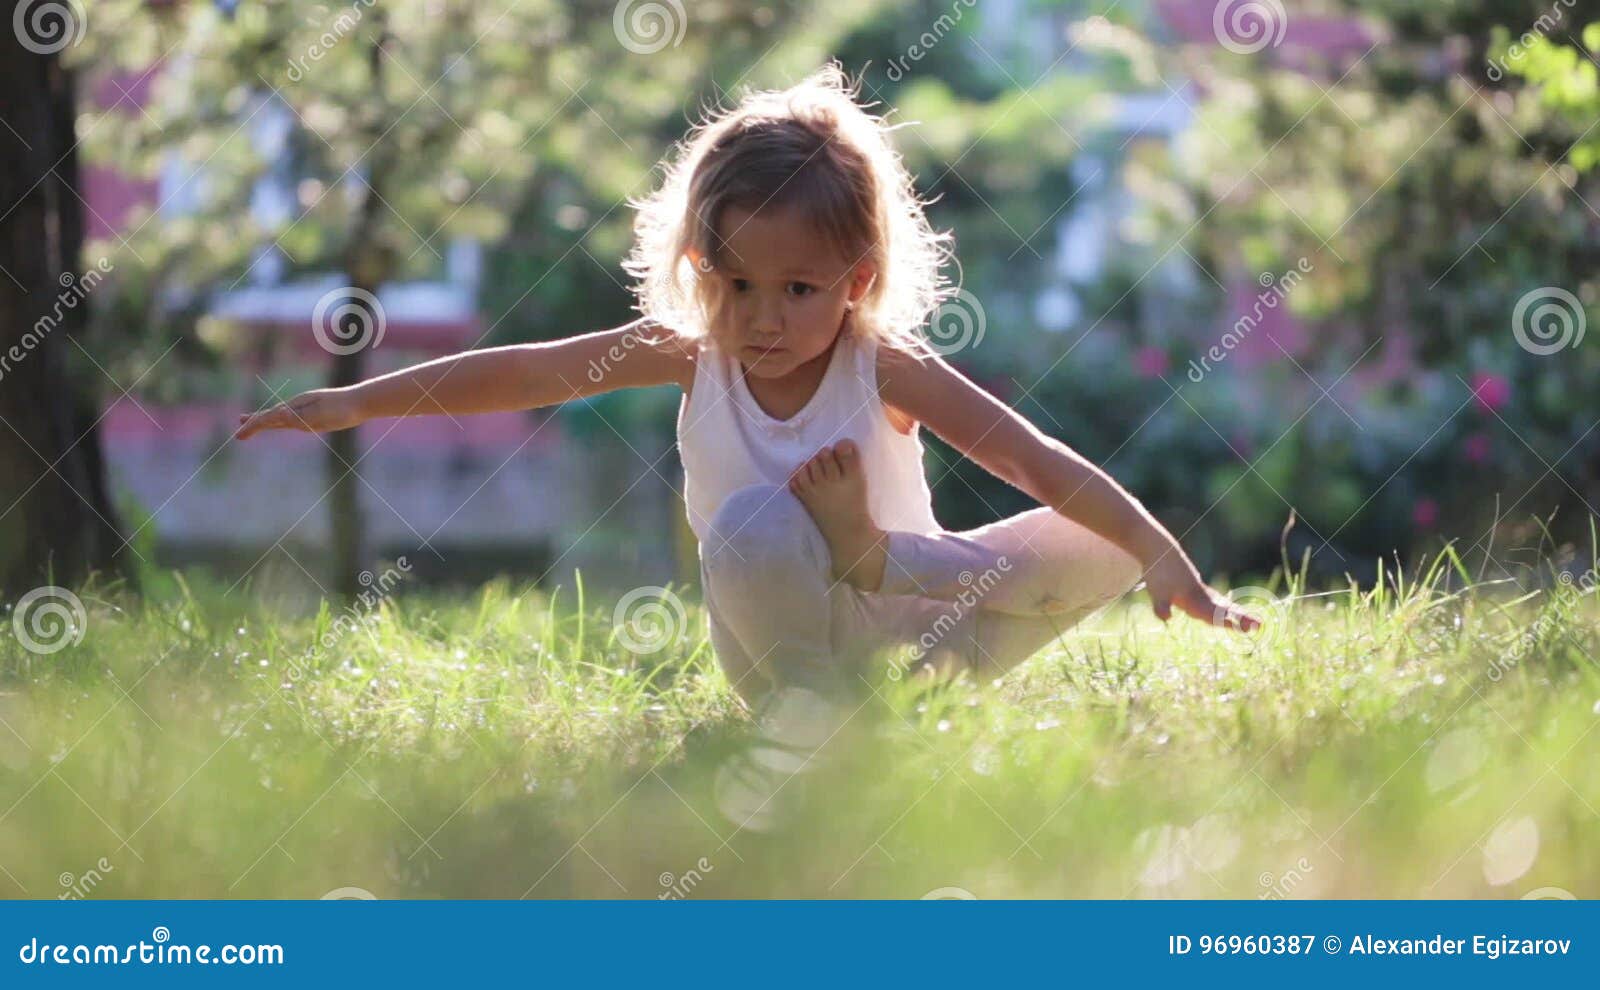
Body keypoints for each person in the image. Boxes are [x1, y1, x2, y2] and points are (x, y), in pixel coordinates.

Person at [234, 62, 1259, 708]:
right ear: (697, 270)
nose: (761, 318)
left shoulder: (883, 365)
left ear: (855, 281)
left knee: (1102, 536)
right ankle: (812, 717)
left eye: (798, 288)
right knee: (757, 526)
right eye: (734, 284)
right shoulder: (691, 353)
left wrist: (1163, 556)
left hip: (916, 624)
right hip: (778, 647)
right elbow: (525, 373)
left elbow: (1029, 458)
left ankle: (882, 612)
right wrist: (356, 400)